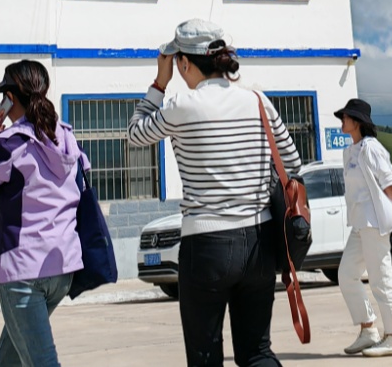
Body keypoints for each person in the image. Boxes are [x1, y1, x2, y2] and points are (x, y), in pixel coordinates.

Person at [127, 19, 302, 367]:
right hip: (259, 241)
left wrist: (159, 84)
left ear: (183, 63)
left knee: (205, 357)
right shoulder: (258, 101)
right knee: (257, 352)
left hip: (206, 245)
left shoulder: (181, 105)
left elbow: (134, 135)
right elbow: (292, 164)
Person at [0, 59, 93, 367]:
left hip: (23, 271)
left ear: (10, 98)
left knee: (41, 362)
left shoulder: (10, 145)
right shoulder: (66, 138)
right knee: (8, 361)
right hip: (63, 267)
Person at [335, 98, 392, 358]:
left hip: (375, 223)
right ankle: (368, 330)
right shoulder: (350, 152)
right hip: (359, 223)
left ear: (357, 122)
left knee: (381, 279)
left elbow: (388, 185)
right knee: (346, 274)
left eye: (345, 117)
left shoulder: (371, 148)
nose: (342, 120)